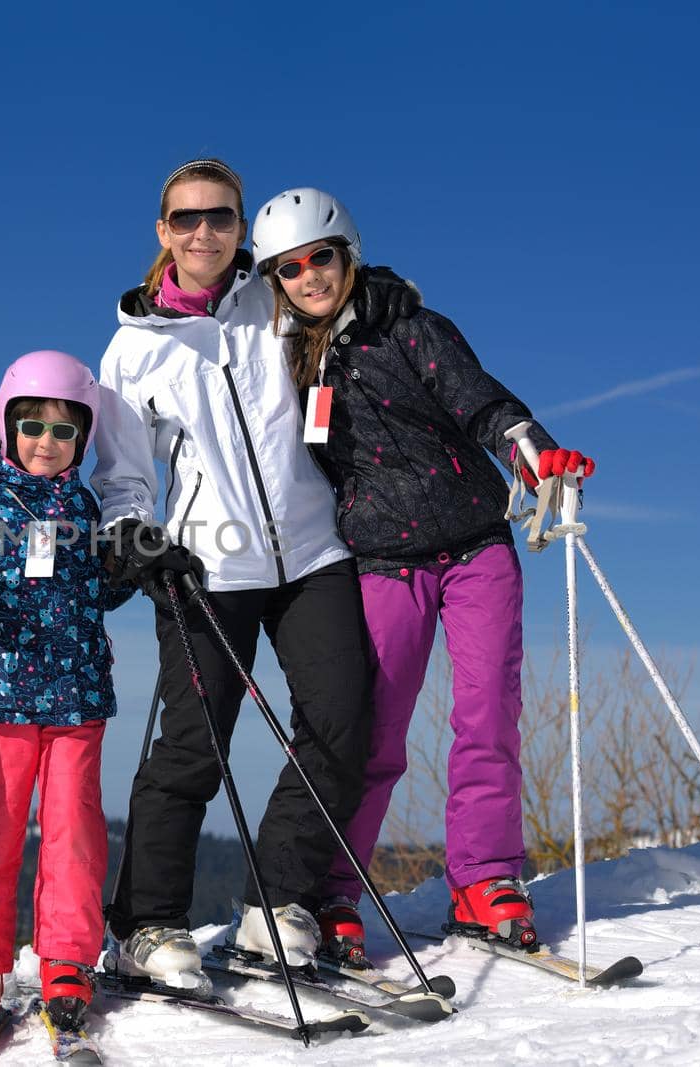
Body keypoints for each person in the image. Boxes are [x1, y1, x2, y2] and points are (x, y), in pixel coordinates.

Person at [90, 159, 421, 990]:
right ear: (163, 232)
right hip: (206, 565)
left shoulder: (271, 296)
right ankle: (146, 923)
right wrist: (131, 530)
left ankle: (276, 908)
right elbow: (124, 475)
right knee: (194, 747)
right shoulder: (133, 350)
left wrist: (386, 291)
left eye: (222, 217)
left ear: (242, 227)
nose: (205, 232)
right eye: (187, 218)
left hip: (315, 553)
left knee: (343, 724)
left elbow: (337, 292)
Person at [249, 187, 594, 964]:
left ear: (349, 252)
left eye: (320, 258)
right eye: (289, 269)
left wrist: (529, 447)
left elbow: (476, 400)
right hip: (381, 560)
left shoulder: (410, 328)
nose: (309, 277)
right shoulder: (296, 367)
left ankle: (484, 879)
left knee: (486, 715)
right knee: (375, 728)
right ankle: (338, 885)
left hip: (475, 543)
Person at [0, 350, 135, 1049]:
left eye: (62, 429)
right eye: (31, 426)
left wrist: (125, 567)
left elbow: (101, 589)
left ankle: (67, 959)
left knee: (75, 835)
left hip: (78, 696)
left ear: (83, 436)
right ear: (6, 426)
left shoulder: (86, 503)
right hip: (1, 695)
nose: (45, 441)